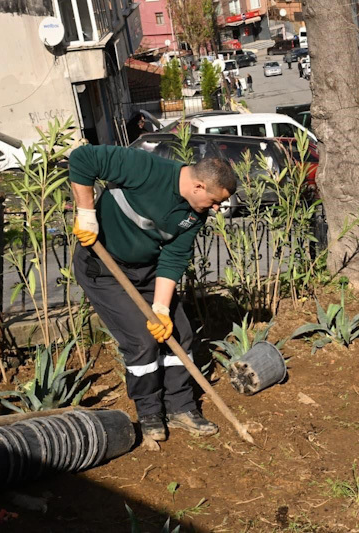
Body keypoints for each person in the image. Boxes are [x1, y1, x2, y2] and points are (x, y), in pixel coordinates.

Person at [69, 145, 236, 442]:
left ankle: (181, 408)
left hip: (146, 270)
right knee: (142, 340)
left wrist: (160, 307)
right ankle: (149, 413)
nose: (215, 209)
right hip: (103, 269)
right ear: (198, 185)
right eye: (214, 201)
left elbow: (172, 259)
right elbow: (83, 159)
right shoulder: (144, 169)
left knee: (180, 333)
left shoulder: (194, 214)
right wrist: (86, 212)